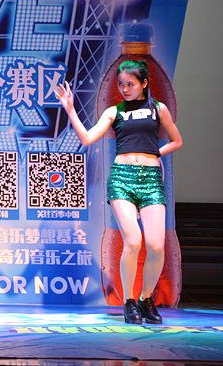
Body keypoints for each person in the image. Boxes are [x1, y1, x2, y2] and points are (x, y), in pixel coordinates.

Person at [55, 59, 182, 324]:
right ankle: (129, 301)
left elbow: (177, 141)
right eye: (121, 84)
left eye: (130, 84)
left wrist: (156, 153)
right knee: (133, 240)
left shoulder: (158, 109)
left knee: (156, 246)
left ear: (144, 83)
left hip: (151, 180)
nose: (124, 89)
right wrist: (70, 109)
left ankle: (146, 299)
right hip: (122, 178)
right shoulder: (114, 112)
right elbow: (87, 138)